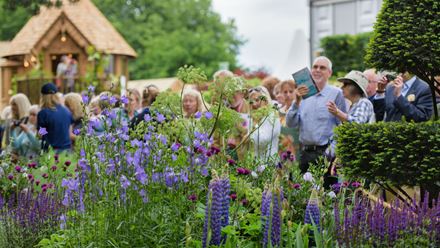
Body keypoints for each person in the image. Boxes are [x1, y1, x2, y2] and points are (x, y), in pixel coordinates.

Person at [286, 56, 347, 174]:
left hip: (326, 154)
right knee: (304, 192)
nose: (317, 70)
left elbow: (343, 126)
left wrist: (331, 152)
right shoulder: (302, 93)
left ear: (329, 73)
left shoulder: (337, 94)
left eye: (322, 68)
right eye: (315, 67)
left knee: (327, 191)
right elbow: (290, 124)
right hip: (304, 153)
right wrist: (296, 102)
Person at [37, 83, 73, 152]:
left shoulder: (43, 113)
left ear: (43, 96)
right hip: (67, 151)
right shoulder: (66, 111)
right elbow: (69, 132)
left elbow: (41, 135)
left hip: (51, 152)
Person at [248, 86, 281, 161]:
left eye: (257, 100)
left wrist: (254, 124)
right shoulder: (249, 117)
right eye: (251, 101)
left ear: (266, 100)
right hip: (251, 164)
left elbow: (262, 141)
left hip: (266, 165)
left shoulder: (272, 116)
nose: (254, 104)